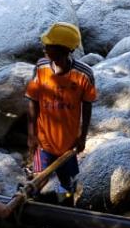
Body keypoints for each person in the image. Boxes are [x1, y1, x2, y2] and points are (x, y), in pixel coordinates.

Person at [25, 21, 96, 200]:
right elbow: (33, 101)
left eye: (49, 46)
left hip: (68, 145)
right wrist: (32, 135)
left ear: (65, 50)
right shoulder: (41, 68)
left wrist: (82, 137)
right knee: (37, 184)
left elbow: (87, 105)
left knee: (70, 186)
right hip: (43, 143)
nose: (44, 48)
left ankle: (66, 215)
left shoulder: (84, 74)